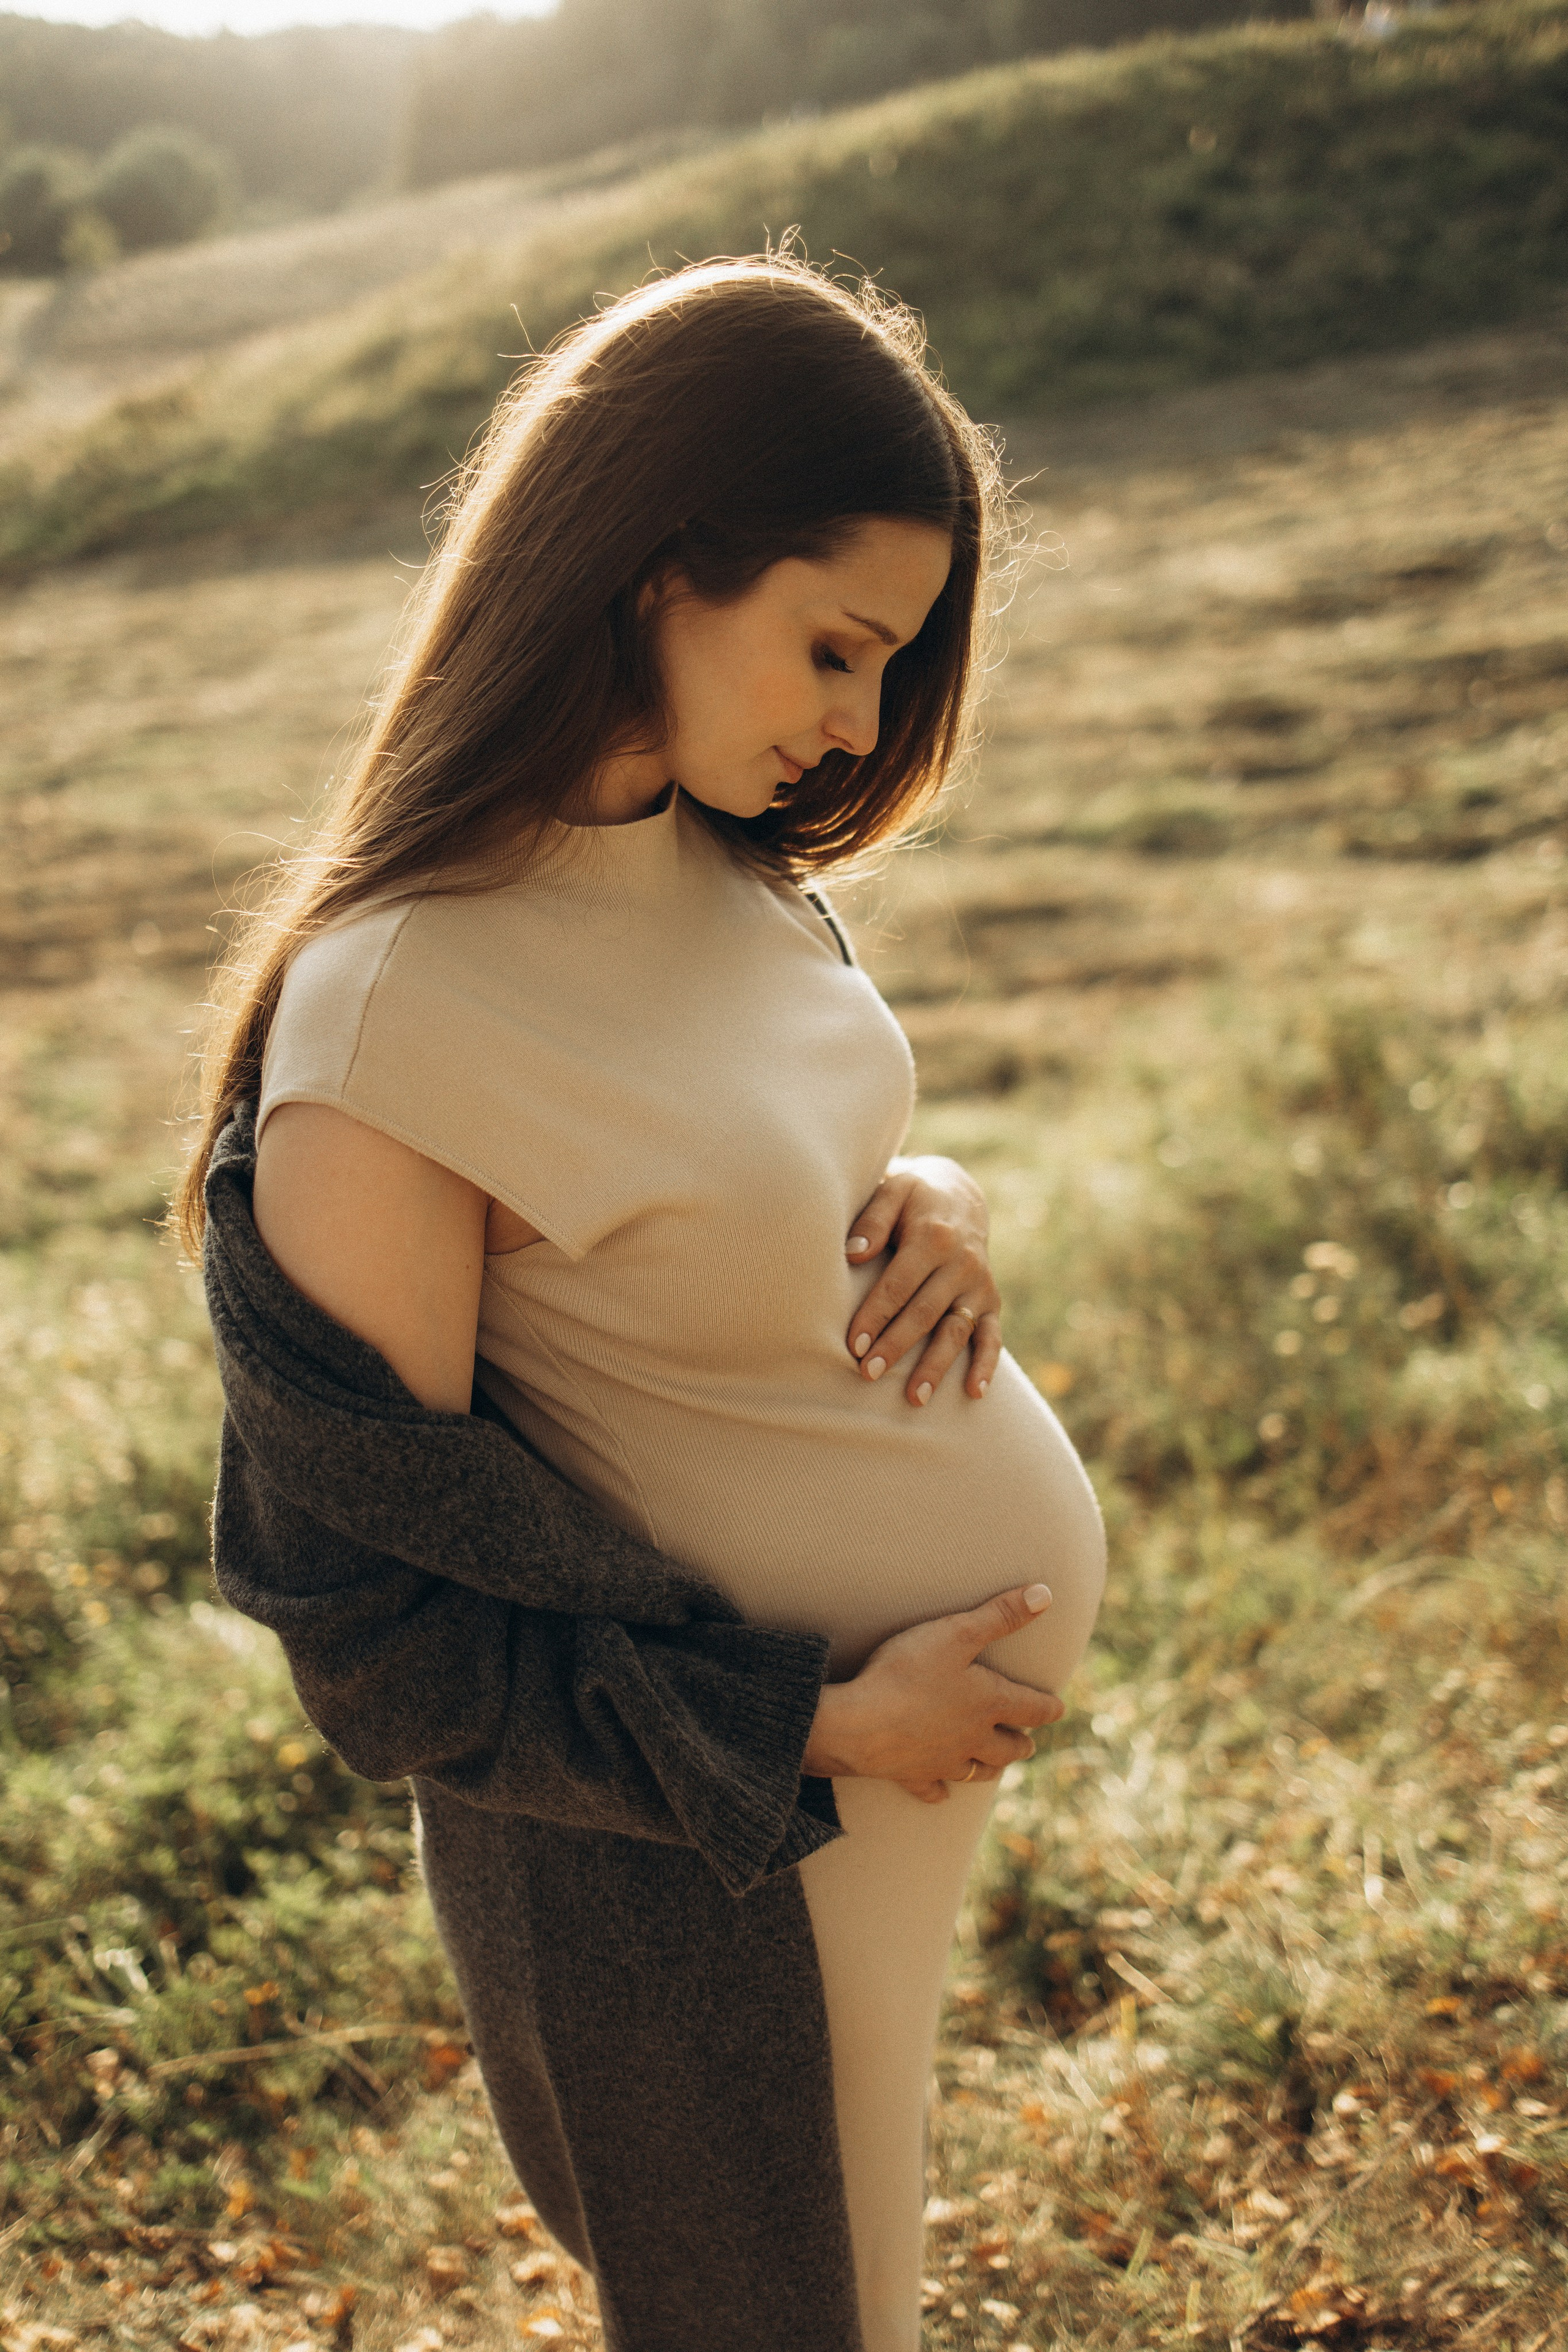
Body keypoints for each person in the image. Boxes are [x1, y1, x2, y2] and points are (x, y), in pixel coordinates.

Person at [180, 255, 1106, 2352]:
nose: (858, 724)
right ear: (655, 559)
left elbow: (745, 1185)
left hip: (864, 1813)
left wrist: (935, 1198)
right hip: (721, 1861)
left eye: (893, 665)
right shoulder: (397, 1021)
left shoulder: (734, 870)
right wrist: (816, 1731)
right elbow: (378, 1638)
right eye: (837, 647)